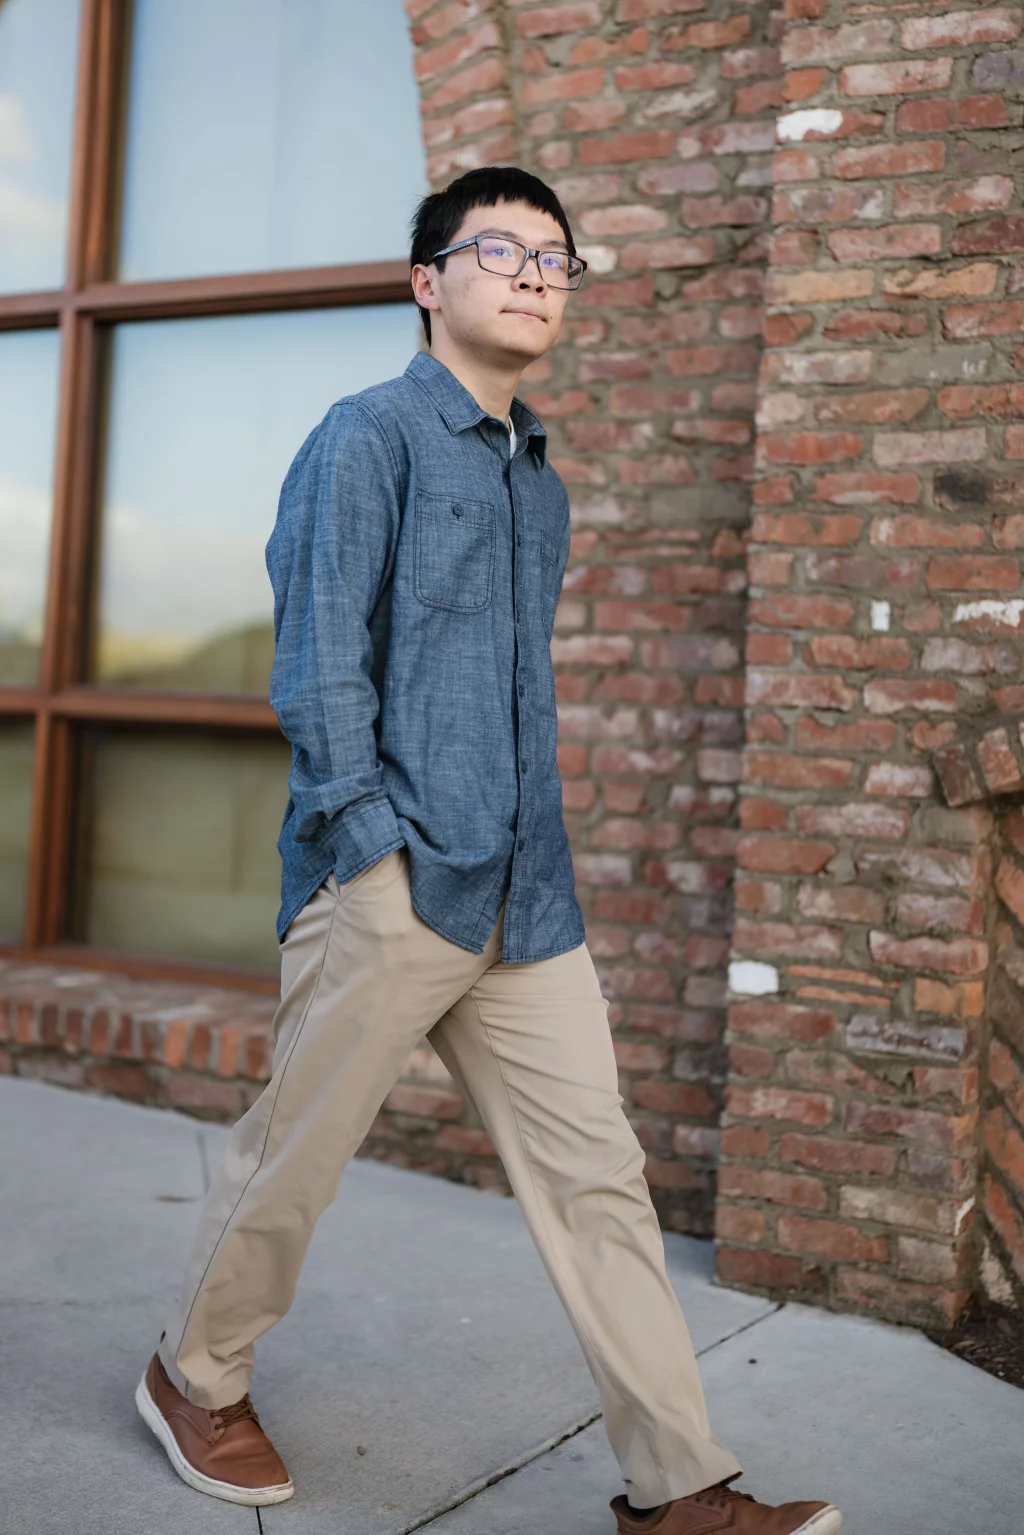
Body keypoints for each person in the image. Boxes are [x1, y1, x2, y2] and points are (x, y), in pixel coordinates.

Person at [135, 165, 843, 1535]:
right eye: (501, 249)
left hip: (530, 898)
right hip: (395, 883)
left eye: (556, 259)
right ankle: (191, 1376)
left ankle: (680, 1487)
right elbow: (319, 664)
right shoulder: (368, 438)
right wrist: (373, 851)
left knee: (600, 1183)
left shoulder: (541, 481)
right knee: (295, 1162)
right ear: (427, 283)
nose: (533, 274)